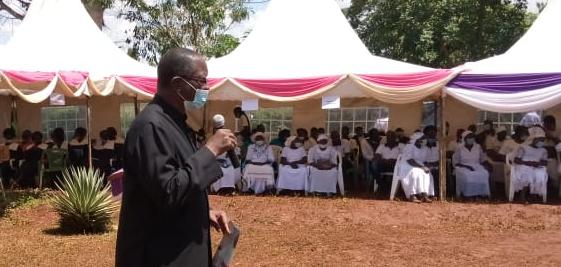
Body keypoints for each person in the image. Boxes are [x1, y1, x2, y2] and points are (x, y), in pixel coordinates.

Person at [116, 48, 236, 267]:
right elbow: (168, 192)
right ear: (178, 84)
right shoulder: (150, 126)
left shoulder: (176, 122)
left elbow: (176, 180)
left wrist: (204, 211)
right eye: (201, 80)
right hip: (159, 256)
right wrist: (210, 151)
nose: (206, 87)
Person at [397, 132, 434, 203]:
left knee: (427, 173)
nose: (425, 140)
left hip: (419, 165)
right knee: (416, 173)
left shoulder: (425, 148)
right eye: (423, 139)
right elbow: (410, 160)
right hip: (407, 165)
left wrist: (428, 166)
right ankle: (412, 195)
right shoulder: (410, 146)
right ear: (417, 140)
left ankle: (424, 194)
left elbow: (426, 161)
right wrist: (422, 167)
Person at [453, 131, 491, 199]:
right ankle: (468, 194)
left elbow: (483, 158)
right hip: (463, 167)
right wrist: (467, 167)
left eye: (472, 137)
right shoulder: (459, 148)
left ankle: (481, 193)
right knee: (468, 175)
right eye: (469, 137)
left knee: (484, 173)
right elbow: (456, 162)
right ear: (464, 139)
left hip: (477, 166)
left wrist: (487, 164)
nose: (471, 139)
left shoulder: (478, 147)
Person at [513, 128, 548, 203]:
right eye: (540, 140)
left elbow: (545, 162)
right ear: (534, 139)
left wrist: (538, 164)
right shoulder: (524, 147)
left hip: (536, 167)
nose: (541, 142)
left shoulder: (543, 150)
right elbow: (516, 160)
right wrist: (527, 163)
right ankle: (522, 195)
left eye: (543, 140)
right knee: (527, 173)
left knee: (539, 174)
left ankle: (534, 195)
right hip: (523, 165)